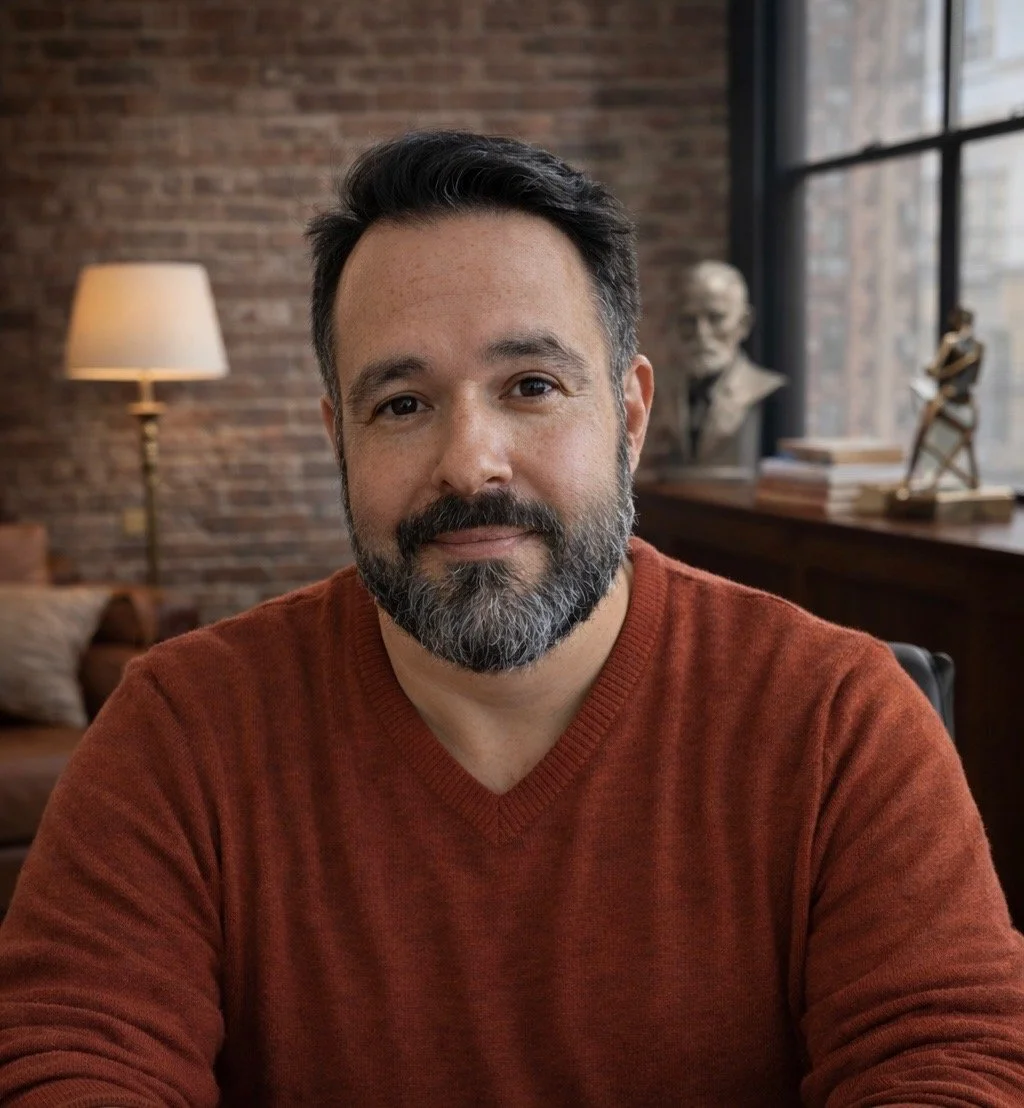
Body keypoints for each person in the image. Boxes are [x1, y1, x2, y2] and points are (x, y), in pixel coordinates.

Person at [0, 131, 1022, 1107]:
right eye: (400, 402)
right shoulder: (181, 726)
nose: (469, 460)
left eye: (531, 386)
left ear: (627, 414)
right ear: (337, 437)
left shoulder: (837, 716)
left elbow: (951, 1057)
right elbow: (70, 1051)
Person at [641, 259, 784, 477]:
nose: (702, 334)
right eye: (689, 320)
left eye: (716, 318)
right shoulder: (660, 392)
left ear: (743, 323)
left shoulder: (766, 392)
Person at [902, 305, 984, 491]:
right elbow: (975, 379)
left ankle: (909, 477)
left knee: (923, 431)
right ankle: (969, 478)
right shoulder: (978, 347)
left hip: (949, 398)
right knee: (965, 439)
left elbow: (935, 371)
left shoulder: (952, 341)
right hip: (968, 402)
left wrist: (932, 371)